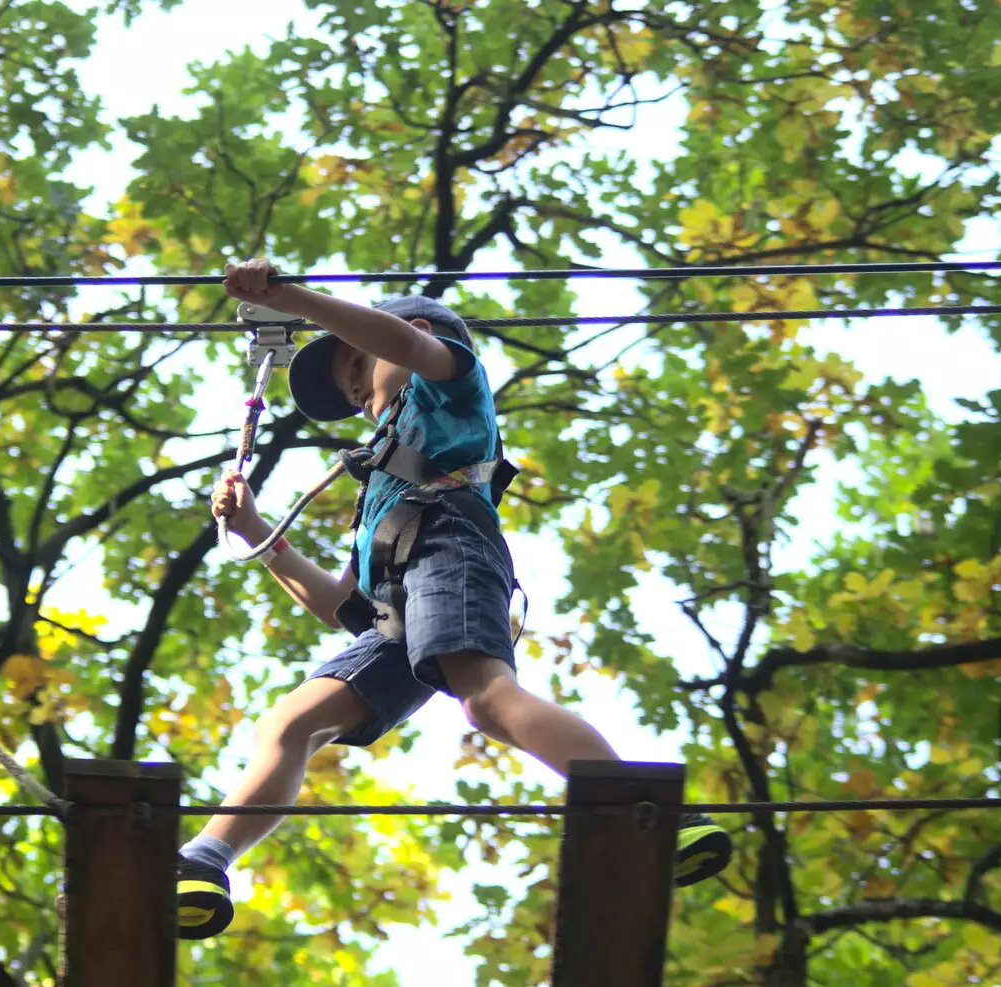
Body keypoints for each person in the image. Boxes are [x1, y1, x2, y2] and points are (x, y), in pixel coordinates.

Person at [176, 259, 732, 940]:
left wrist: (289, 298)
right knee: (291, 724)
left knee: (486, 698)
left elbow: (408, 349)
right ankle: (205, 857)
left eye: (356, 363)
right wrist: (255, 529)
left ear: (409, 330)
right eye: (350, 385)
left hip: (450, 548)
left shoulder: (449, 390)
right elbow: (346, 607)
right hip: (397, 608)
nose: (355, 389)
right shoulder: (375, 490)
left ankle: (650, 804)